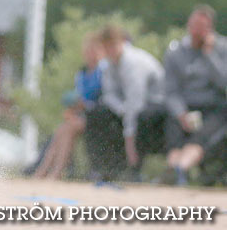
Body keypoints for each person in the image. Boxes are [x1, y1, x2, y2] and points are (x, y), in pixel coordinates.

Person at [85, 25, 167, 183]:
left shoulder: (134, 63)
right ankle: (102, 168)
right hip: (127, 108)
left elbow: (136, 103)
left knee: (140, 118)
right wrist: (121, 110)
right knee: (96, 113)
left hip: (153, 109)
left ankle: (135, 169)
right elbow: (109, 95)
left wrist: (129, 136)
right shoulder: (109, 65)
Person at [163, 5, 227, 185]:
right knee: (174, 133)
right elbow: (171, 91)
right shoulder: (175, 53)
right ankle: (173, 170)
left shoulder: (222, 49)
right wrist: (181, 113)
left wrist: (209, 55)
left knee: (201, 137)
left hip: (214, 109)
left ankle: (181, 169)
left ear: (211, 29)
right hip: (184, 108)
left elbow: (224, 84)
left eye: (203, 28)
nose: (197, 32)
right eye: (194, 26)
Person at [33, 31, 104, 180]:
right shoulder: (82, 73)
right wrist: (71, 111)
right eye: (88, 51)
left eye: (94, 51)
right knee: (61, 130)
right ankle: (44, 170)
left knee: (68, 129)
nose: (90, 54)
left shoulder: (103, 72)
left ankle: (56, 171)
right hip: (83, 114)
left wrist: (81, 106)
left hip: (98, 115)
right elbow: (78, 100)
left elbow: (100, 100)